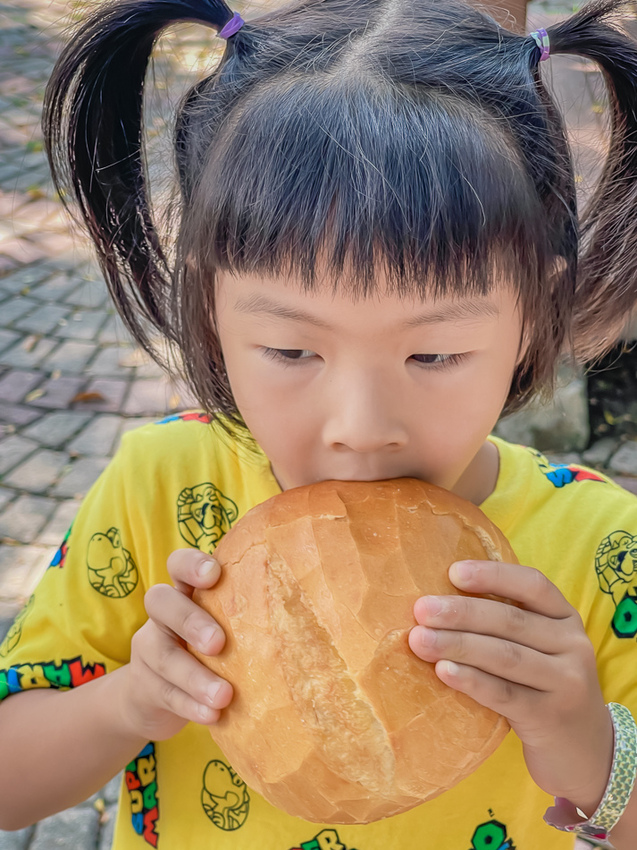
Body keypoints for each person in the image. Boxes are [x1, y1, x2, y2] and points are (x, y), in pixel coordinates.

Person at [1, 0, 637, 846]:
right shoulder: (161, 487)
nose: (359, 427)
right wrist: (128, 700)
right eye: (291, 350)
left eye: (433, 356)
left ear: (535, 311)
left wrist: (589, 745)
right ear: (210, 306)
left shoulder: (599, 548)